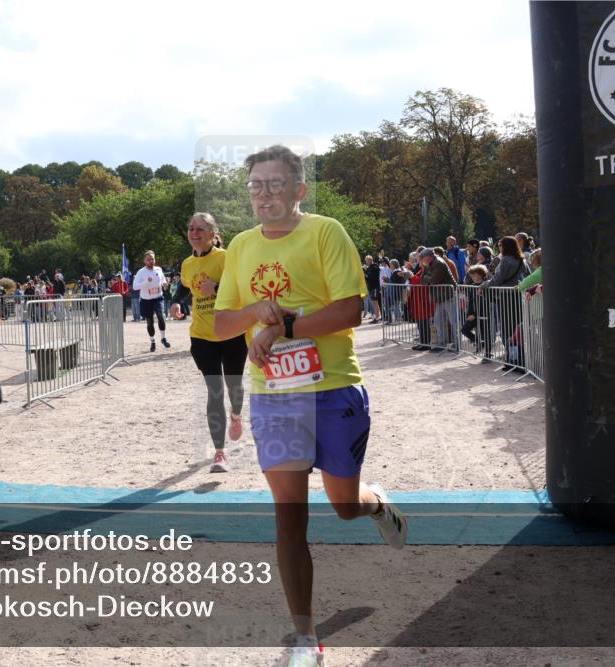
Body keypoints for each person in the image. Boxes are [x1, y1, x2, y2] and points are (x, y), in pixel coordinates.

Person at [214, 145, 407, 666]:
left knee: (343, 507)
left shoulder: (325, 232)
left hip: (333, 388)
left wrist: (286, 328)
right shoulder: (239, 245)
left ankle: (376, 504)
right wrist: (255, 311)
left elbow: (351, 310)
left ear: (298, 190)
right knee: (288, 517)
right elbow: (220, 323)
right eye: (256, 185)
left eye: (276, 184)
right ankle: (305, 637)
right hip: (275, 396)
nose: (264, 194)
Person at [169, 213, 248, 473]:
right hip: (202, 336)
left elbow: (242, 287)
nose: (194, 233)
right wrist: (176, 301)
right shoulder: (187, 263)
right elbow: (184, 286)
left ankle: (236, 415)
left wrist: (216, 287)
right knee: (215, 391)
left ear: (213, 234)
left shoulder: (226, 258)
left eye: (200, 229)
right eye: (191, 228)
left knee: (234, 386)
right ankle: (220, 453)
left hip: (233, 333)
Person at [480, 236, 529, 371]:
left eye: (501, 245)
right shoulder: (522, 260)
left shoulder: (506, 260)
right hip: (518, 297)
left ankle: (512, 360)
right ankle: (518, 359)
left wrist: (483, 285)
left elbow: (497, 280)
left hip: (507, 298)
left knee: (508, 329)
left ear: (506, 246)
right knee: (517, 330)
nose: (499, 247)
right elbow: (528, 276)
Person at [132, 250, 171, 352]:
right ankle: (152, 342)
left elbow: (163, 281)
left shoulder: (159, 269)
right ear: (145, 261)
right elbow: (135, 287)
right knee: (150, 323)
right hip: (146, 300)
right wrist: (146, 282)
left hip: (158, 298)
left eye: (152, 259)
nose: (151, 261)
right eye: (148, 260)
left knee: (161, 316)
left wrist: (165, 284)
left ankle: (163, 338)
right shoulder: (141, 272)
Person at [361, 255, 382, 323]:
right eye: (366, 260)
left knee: (375, 303)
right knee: (374, 303)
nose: (366, 262)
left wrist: (365, 271)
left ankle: (377, 317)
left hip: (375, 287)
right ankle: (377, 317)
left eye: (367, 260)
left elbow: (371, 277)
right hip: (371, 287)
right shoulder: (370, 267)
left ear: (370, 260)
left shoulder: (374, 266)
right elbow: (368, 278)